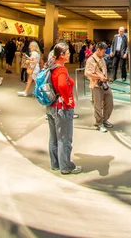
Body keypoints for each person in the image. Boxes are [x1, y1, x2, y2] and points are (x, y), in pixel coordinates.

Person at [46, 42, 82, 174]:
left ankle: (55, 163)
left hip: (51, 105)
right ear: (61, 55)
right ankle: (66, 166)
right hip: (62, 107)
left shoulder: (51, 65)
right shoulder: (61, 69)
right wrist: (67, 99)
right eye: (67, 53)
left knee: (54, 137)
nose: (69, 55)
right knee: (64, 138)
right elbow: (61, 85)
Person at [85, 42, 114, 133]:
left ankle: (105, 120)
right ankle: (99, 123)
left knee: (109, 103)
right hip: (96, 85)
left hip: (105, 85)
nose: (104, 52)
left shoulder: (102, 58)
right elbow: (87, 73)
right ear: (98, 50)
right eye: (103, 51)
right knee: (97, 105)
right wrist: (99, 77)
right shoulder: (91, 60)